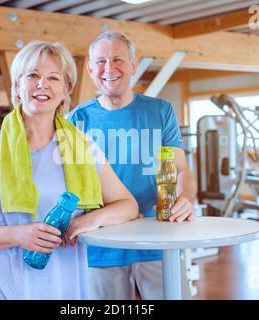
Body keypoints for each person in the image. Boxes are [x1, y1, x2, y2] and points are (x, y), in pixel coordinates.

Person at [0, 40, 139, 300]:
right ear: (18, 86)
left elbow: (127, 205)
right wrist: (18, 235)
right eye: (33, 75)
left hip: (62, 286)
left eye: (53, 78)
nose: (42, 84)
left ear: (65, 90)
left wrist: (88, 220)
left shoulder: (82, 148)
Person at [67, 32, 197, 300]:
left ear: (133, 66)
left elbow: (181, 169)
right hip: (101, 246)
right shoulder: (77, 119)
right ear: (90, 69)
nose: (109, 68)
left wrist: (184, 197)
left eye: (118, 59)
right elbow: (70, 182)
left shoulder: (160, 111)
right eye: (100, 61)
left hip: (157, 238)